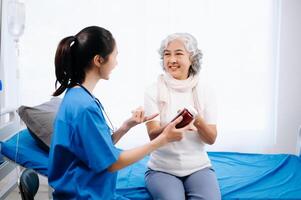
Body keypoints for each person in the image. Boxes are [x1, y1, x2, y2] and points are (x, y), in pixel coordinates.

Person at [48, 26, 191, 200]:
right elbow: (112, 163)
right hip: (83, 195)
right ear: (99, 60)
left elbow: (96, 147)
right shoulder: (84, 107)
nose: (116, 63)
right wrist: (162, 140)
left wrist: (126, 126)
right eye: (115, 55)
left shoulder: (76, 95)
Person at [144, 33, 221, 200]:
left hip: (199, 167)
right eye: (167, 54)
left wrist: (197, 120)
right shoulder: (152, 90)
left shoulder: (206, 91)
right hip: (161, 169)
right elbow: (152, 135)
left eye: (178, 53)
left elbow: (211, 138)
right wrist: (173, 125)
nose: (171, 59)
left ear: (192, 58)